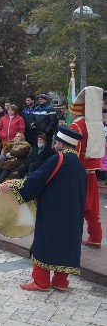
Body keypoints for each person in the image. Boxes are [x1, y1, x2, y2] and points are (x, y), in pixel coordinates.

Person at [4, 126, 87, 291]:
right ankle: (61, 282)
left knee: (46, 240)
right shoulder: (78, 163)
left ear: (61, 144)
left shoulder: (58, 159)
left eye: (56, 141)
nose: (54, 143)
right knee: (67, 243)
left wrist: (14, 185)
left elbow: (37, 178)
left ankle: (40, 282)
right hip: (72, 212)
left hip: (53, 210)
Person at [70, 86, 105, 248]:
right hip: (92, 171)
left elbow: (73, 153)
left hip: (78, 173)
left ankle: (71, 239)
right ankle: (96, 238)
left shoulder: (76, 126)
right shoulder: (96, 125)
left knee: (75, 206)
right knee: (92, 208)